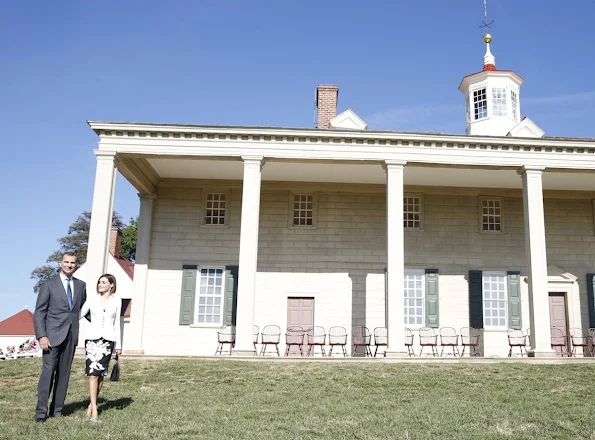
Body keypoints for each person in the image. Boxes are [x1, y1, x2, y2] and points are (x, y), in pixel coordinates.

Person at [34, 252, 87, 422]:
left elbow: (84, 310)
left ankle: (57, 411)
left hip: (71, 337)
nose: (69, 265)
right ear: (60, 263)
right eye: (66, 262)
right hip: (51, 337)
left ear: (76, 265)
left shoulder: (81, 286)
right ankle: (41, 413)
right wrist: (42, 336)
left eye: (72, 262)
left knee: (64, 375)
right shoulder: (49, 285)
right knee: (48, 374)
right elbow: (39, 312)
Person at [79, 273, 122, 423]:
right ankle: (95, 411)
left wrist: (119, 345)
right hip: (92, 340)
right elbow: (79, 314)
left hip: (108, 341)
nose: (100, 285)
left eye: (103, 282)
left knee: (101, 374)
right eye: (99, 282)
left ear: (111, 285)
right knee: (92, 374)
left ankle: (91, 405)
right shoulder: (92, 300)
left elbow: (117, 324)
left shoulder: (117, 301)